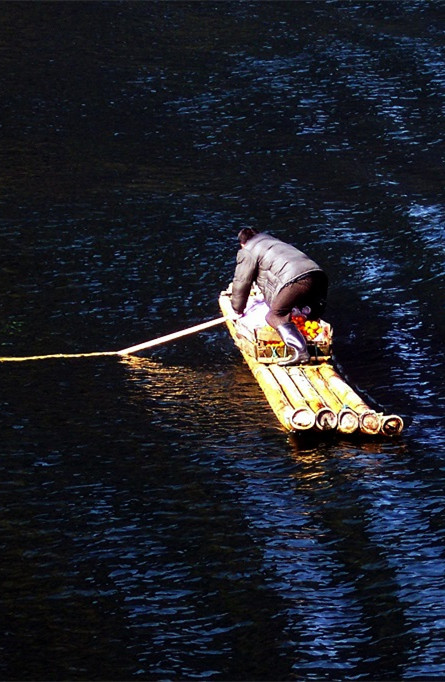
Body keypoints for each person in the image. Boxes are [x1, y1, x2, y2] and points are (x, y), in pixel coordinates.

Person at [230, 228, 328, 365]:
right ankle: (314, 344)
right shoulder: (273, 242)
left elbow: (242, 282)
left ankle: (301, 352)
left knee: (274, 316)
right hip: (317, 275)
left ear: (242, 243)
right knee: (305, 315)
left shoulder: (248, 250)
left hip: (296, 279)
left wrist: (237, 310)